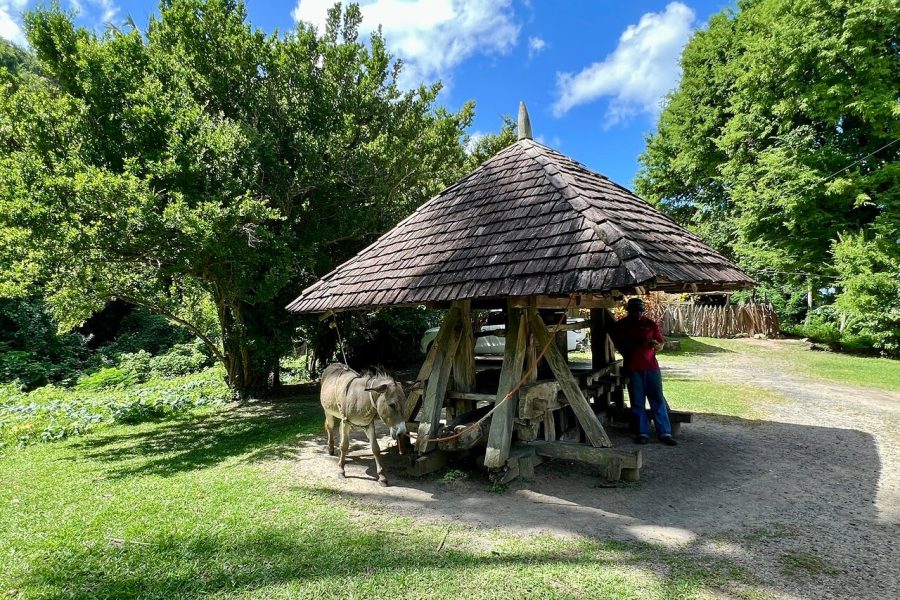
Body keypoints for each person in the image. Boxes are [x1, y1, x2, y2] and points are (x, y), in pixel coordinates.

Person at [612, 298, 677, 446]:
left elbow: (660, 344)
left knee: (657, 399)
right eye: (635, 311)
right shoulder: (622, 325)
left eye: (640, 311)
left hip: (651, 367)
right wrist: (637, 344)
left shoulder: (650, 324)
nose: (638, 314)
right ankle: (642, 432)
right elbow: (619, 344)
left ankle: (665, 433)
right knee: (638, 402)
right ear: (629, 311)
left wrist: (656, 345)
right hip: (633, 368)